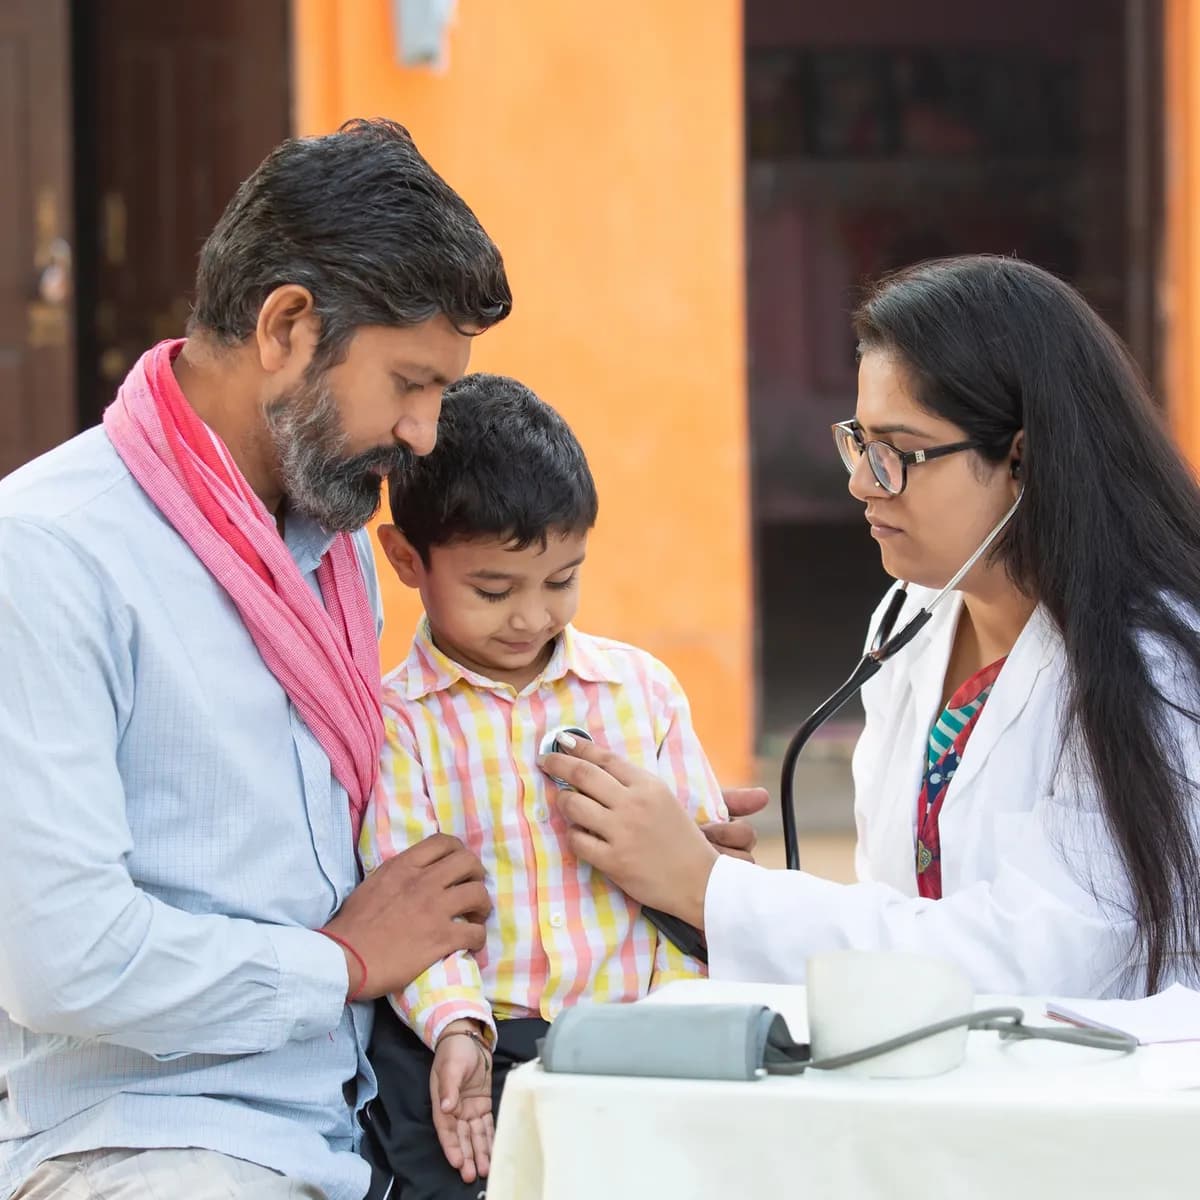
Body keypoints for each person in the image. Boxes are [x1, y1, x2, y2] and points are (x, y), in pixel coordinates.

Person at [0, 119, 512, 1200]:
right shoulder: (49, 552)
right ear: (285, 326)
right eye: (410, 382)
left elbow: (378, 831)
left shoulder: (329, 553)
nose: (425, 433)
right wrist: (339, 965)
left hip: (351, 1123)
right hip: (148, 1147)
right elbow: (64, 958)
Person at [542, 254, 1200, 1000]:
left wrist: (714, 891)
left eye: (898, 453)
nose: (861, 481)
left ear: (1022, 459)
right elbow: (898, 903)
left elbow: (1046, 959)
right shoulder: (914, 619)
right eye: (860, 440)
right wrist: (715, 884)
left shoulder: (1154, 666)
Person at [361, 375, 727, 1197]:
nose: (531, 616)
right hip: (481, 1039)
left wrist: (681, 1023)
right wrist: (460, 1027)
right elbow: (411, 908)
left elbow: (700, 884)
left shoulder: (640, 692)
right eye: (493, 590)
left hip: (640, 1042)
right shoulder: (397, 724)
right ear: (406, 558)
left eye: (562, 580)